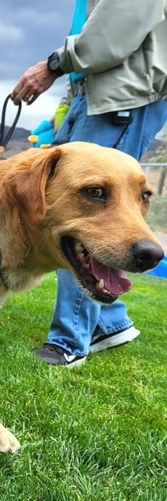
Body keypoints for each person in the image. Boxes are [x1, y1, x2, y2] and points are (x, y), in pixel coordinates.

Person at [11, 0, 167, 368]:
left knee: (86, 218)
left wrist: (51, 65)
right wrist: (66, 110)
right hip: (94, 97)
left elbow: (108, 39)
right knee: (65, 208)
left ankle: (71, 340)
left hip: (123, 99)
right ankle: (110, 322)